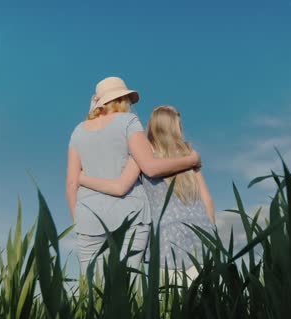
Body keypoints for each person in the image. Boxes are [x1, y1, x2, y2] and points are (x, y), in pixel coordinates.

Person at [66, 78, 200, 275]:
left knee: (92, 294)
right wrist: (191, 160)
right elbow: (151, 168)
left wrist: (79, 222)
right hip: (129, 216)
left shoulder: (78, 131)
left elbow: (71, 183)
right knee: (124, 288)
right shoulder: (128, 122)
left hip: (88, 219)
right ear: (123, 99)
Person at [79, 105, 215, 282]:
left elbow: (120, 187)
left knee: (173, 307)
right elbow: (207, 200)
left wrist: (82, 179)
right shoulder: (189, 155)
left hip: (166, 241)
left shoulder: (144, 153)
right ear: (176, 127)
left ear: (152, 125)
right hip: (202, 238)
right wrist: (212, 235)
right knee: (207, 306)